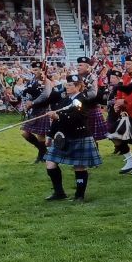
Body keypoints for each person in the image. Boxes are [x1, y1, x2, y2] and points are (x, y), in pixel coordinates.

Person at [41, 74, 102, 202]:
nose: (67, 87)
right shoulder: (65, 100)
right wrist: (50, 135)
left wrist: (58, 116)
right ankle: (59, 193)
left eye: (70, 85)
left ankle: (79, 196)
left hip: (79, 136)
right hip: (63, 136)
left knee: (79, 166)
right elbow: (57, 119)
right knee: (50, 163)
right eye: (66, 85)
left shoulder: (83, 100)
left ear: (78, 86)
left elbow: (77, 117)